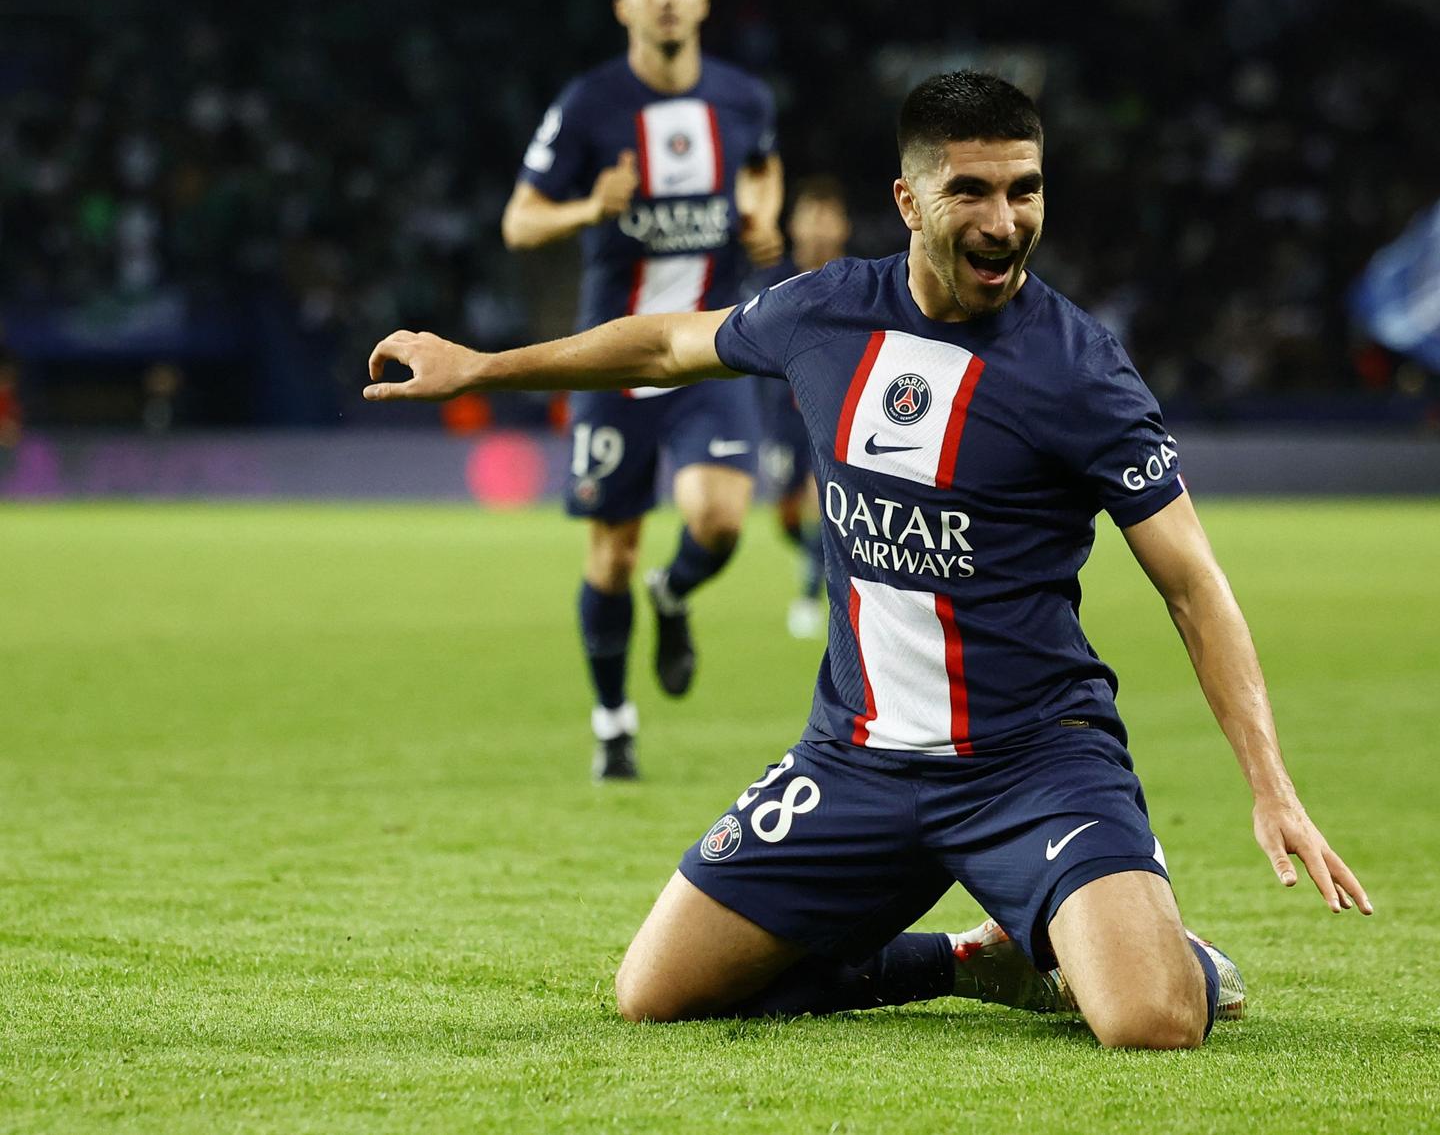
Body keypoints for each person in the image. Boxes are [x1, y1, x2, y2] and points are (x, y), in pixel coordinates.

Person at [367, 71, 1370, 1048]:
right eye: (969, 190)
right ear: (907, 198)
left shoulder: (1081, 372)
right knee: (655, 992)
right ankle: (976, 959)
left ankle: (1133, 942)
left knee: (1151, 1020)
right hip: (854, 760)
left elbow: (1191, 583)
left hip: (1031, 759)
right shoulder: (824, 314)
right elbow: (670, 344)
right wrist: (485, 368)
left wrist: (1270, 785)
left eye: (1023, 190)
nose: (1003, 219)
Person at [500, 0, 784, 781]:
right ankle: (613, 722)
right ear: (625, 5)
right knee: (612, 551)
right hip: (614, 363)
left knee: (722, 521)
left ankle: (675, 592)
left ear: (701, 1)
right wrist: (590, 206)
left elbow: (765, 169)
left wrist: (763, 213)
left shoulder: (742, 98)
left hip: (709, 353)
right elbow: (519, 221)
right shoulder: (589, 105)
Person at [745, 174, 852, 640]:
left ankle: (812, 596)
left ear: (843, 227)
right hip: (783, 420)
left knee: (822, 501)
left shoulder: (859, 285)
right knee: (788, 517)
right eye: (813, 217)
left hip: (839, 416)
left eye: (829, 219)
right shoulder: (772, 282)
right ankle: (818, 565)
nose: (821, 229)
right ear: (795, 226)